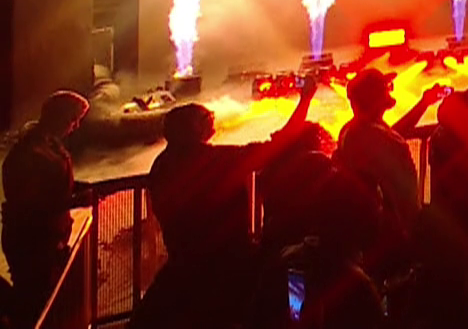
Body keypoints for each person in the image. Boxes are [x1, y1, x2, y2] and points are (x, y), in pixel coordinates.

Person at [140, 77, 319, 327]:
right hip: (227, 264)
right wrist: (305, 99)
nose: (212, 123)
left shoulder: (161, 165)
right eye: (206, 119)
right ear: (194, 129)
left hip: (183, 261)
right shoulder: (214, 161)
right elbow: (279, 145)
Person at [335, 68, 444, 256]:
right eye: (384, 88)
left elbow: (394, 133)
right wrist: (407, 228)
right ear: (374, 97)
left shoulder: (363, 129)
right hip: (393, 234)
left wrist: (424, 103)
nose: (389, 91)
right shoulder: (362, 135)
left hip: (396, 228)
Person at [2, 91, 89, 321]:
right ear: (58, 117)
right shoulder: (32, 153)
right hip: (32, 244)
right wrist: (76, 200)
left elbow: (55, 184)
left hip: (49, 240)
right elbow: (34, 205)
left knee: (44, 300)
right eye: (73, 119)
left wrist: (81, 188)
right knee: (35, 306)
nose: (76, 126)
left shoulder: (49, 145)